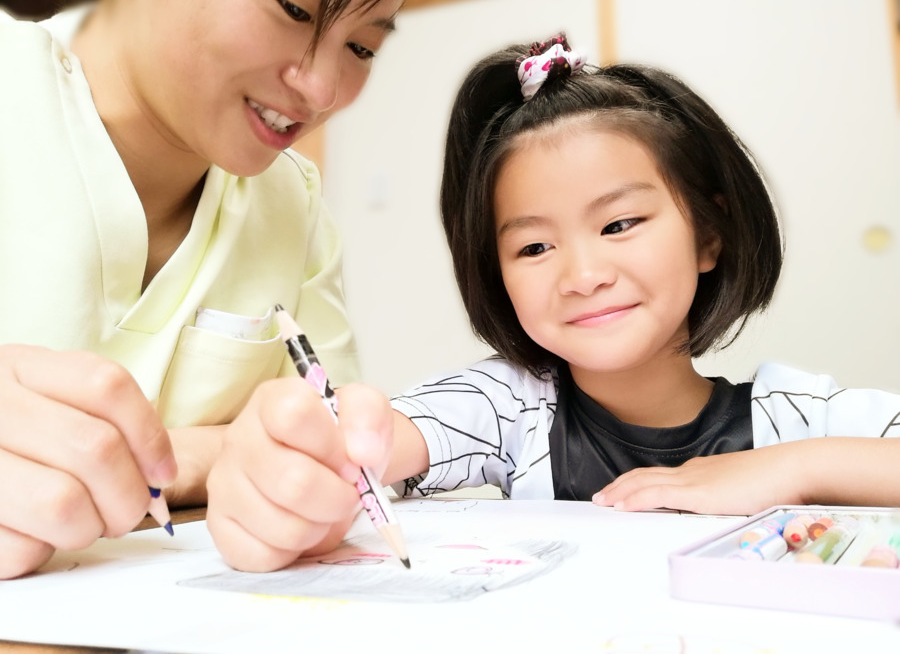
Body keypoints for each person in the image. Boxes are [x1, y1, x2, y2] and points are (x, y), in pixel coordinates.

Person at [206, 35, 900, 572]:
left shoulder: (798, 417)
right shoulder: (508, 407)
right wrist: (311, 451)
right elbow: (385, 439)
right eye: (534, 248)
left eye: (619, 224)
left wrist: (795, 468)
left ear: (709, 235)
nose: (583, 273)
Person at [0, 0, 418, 580]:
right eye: (293, 10)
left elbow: (340, 455)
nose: (321, 89)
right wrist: (215, 451)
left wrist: (280, 488)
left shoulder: (293, 204)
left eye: (361, 48)